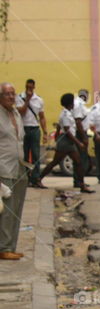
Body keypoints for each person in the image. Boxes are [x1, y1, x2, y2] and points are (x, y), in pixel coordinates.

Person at [36, 93, 94, 194]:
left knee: (75, 162)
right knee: (61, 162)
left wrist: (58, 134)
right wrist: (79, 143)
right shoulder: (66, 114)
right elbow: (68, 132)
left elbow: (59, 125)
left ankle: (81, 185)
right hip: (66, 142)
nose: (73, 104)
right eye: (72, 102)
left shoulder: (66, 112)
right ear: (70, 103)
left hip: (68, 142)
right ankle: (82, 185)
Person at [0, 82, 29, 260]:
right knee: (7, 210)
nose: (11, 97)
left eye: (13, 93)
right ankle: (3, 247)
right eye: (7, 94)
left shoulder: (16, 113)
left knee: (17, 208)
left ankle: (11, 245)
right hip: (4, 168)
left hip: (19, 165)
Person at [15, 79, 46, 188]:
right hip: (23, 129)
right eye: (27, 87)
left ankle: (36, 178)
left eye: (31, 87)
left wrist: (45, 132)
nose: (29, 89)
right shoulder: (19, 97)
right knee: (24, 155)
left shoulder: (39, 100)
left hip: (35, 129)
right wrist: (27, 100)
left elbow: (42, 117)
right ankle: (26, 178)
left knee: (36, 155)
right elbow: (21, 112)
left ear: (34, 87)